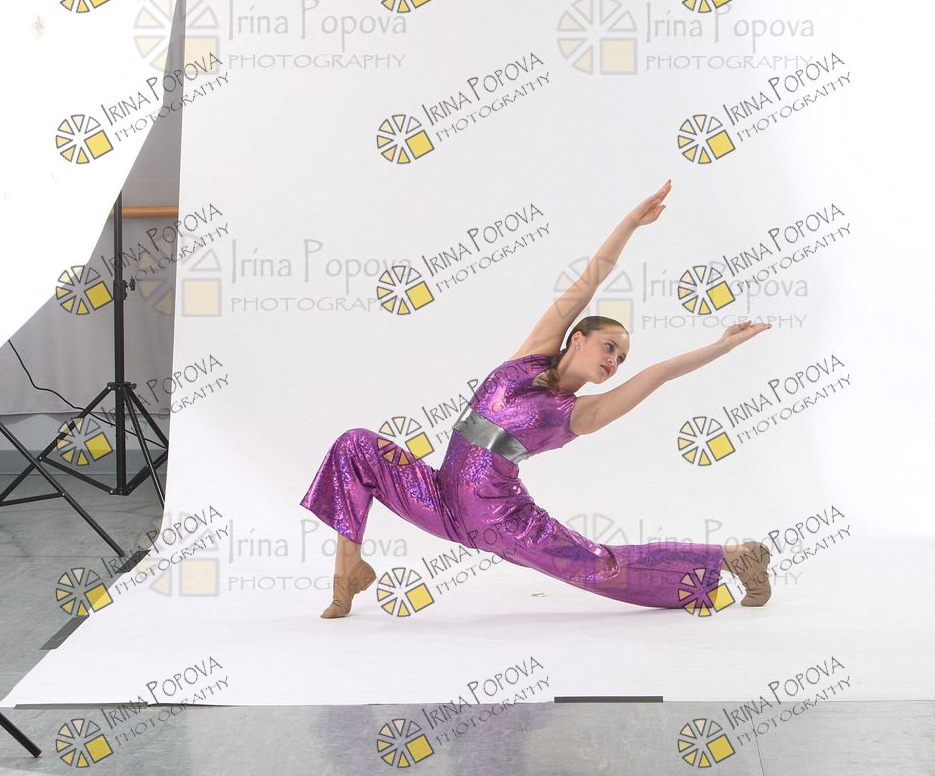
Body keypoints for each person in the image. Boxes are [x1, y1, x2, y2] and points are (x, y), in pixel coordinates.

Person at [301, 180, 773, 618]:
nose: (614, 361)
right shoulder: (532, 355)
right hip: (440, 498)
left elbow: (659, 374)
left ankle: (735, 558)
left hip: (502, 519)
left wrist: (722, 346)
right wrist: (630, 225)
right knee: (355, 445)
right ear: (577, 339)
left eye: (621, 358)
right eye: (609, 347)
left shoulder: (579, 413)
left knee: (601, 566)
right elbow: (589, 280)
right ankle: (349, 572)